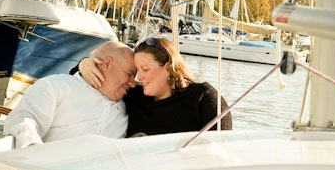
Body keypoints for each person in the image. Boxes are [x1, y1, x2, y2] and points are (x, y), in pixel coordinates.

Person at [77, 36, 232, 136]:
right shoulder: (134, 95)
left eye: (145, 69)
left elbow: (223, 148)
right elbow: (98, 78)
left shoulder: (202, 97)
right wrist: (85, 63)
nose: (139, 77)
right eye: (137, 71)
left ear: (167, 67)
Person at [4, 41, 136, 149]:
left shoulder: (132, 104)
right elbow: (23, 119)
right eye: (129, 74)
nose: (133, 83)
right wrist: (34, 149)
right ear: (107, 64)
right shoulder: (56, 86)